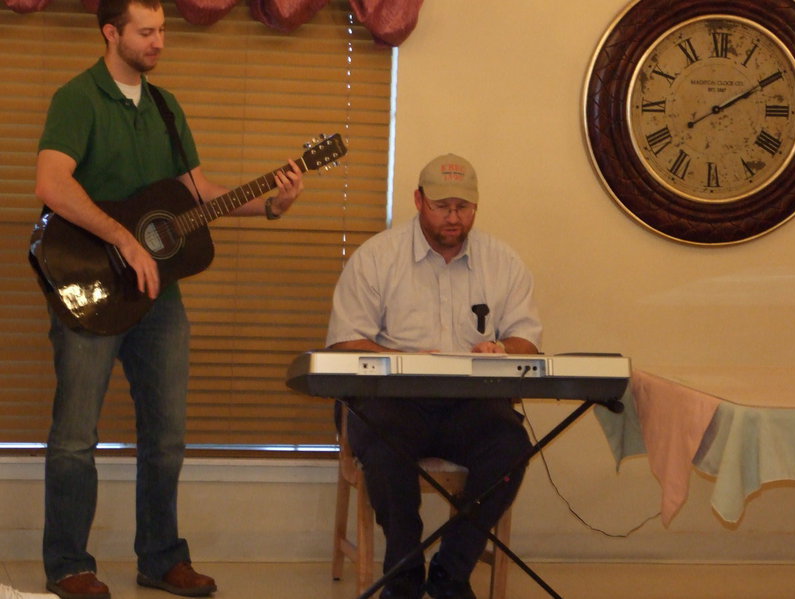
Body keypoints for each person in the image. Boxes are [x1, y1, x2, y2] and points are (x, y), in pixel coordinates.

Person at [33, 0, 304, 597]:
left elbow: (197, 189)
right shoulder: (78, 98)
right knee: (76, 436)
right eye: (146, 32)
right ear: (112, 33)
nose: (160, 42)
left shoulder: (166, 105)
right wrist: (123, 238)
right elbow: (52, 184)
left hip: (159, 297)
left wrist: (270, 203)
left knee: (168, 434)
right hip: (92, 288)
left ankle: (161, 558)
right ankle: (69, 566)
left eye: (161, 31)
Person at [325, 153, 542, 599]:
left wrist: (499, 350)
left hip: (470, 404)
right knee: (383, 446)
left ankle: (451, 572)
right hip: (394, 402)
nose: (453, 217)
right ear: (418, 200)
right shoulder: (377, 257)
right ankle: (404, 574)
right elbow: (345, 344)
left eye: (463, 207)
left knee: (510, 445)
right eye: (442, 206)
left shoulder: (502, 262)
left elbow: (528, 342)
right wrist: (401, 359)